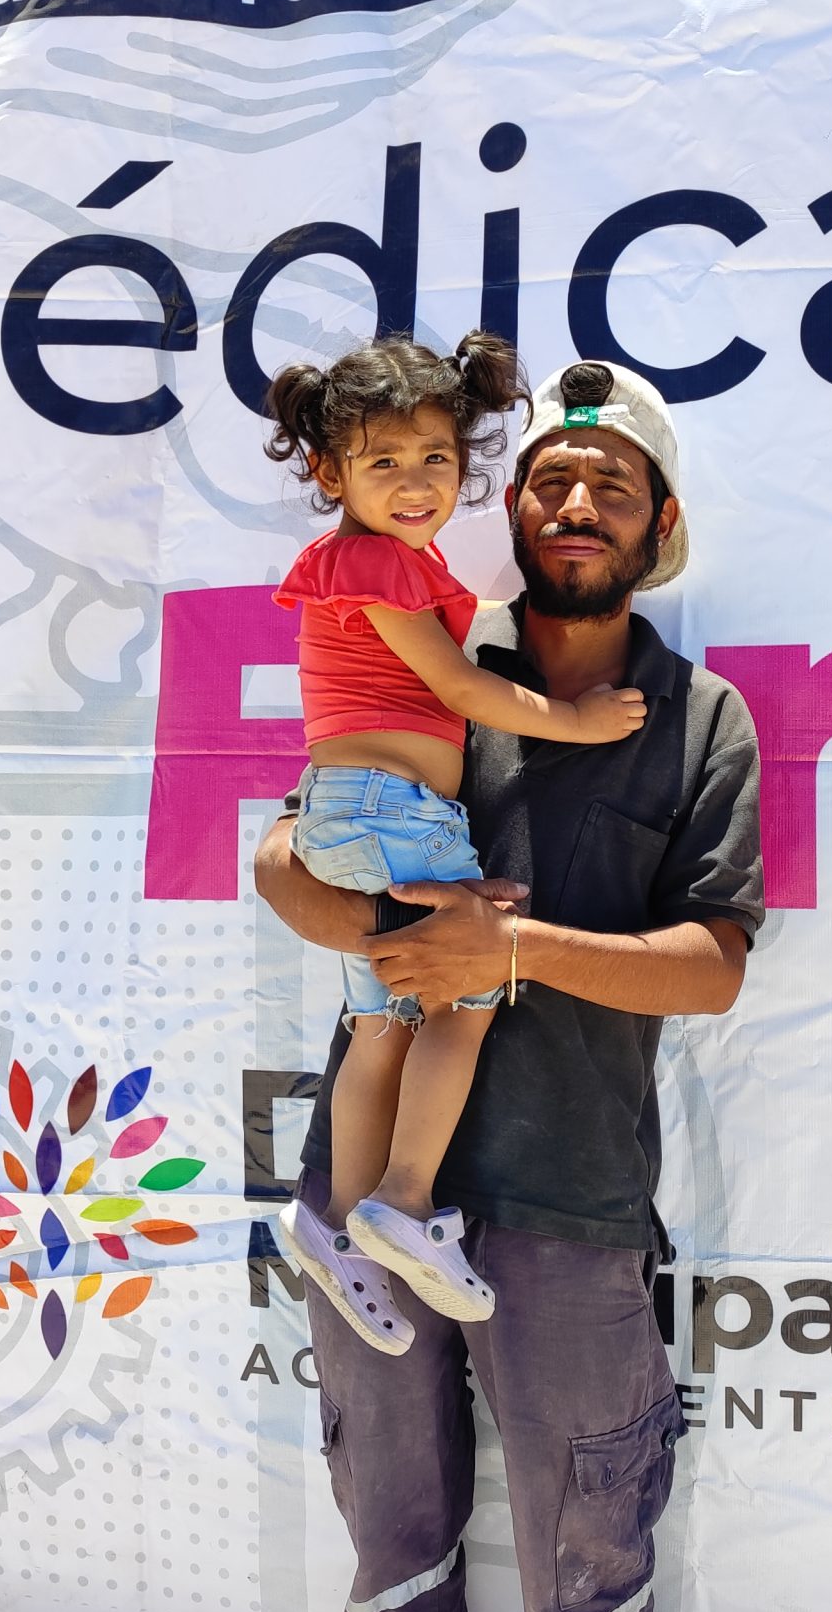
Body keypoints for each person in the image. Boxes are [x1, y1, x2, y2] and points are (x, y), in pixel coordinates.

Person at [256, 358, 766, 1612]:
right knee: (390, 1552)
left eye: (613, 485)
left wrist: (510, 949)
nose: (577, 504)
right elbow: (287, 861)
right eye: (551, 480)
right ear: (514, 512)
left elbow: (712, 969)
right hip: (367, 1200)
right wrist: (366, 917)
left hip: (568, 1201)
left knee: (587, 1573)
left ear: (660, 524)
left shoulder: (701, 721)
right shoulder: (432, 660)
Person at [261, 331, 649, 1354]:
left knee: (382, 1020)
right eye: (383, 462)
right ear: (330, 473)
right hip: (390, 813)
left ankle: (334, 1226)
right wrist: (579, 722)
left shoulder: (385, 562)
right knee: (467, 994)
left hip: (359, 812)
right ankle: (401, 1199)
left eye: (435, 457)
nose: (416, 482)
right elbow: (461, 688)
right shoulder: (373, 561)